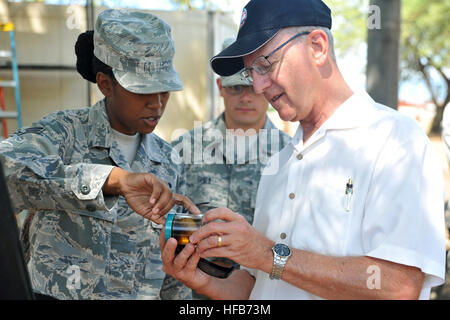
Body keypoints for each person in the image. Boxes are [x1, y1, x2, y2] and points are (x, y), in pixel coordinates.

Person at [160, 0, 446, 300]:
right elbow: (261, 286)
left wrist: (269, 255)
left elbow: (398, 286)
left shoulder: (394, 141)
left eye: (265, 65)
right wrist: (201, 280)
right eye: (250, 73)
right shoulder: (281, 161)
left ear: (318, 47)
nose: (257, 86)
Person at [0, 9, 199, 300]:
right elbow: (7, 172)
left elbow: (173, 270)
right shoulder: (63, 133)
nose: (156, 104)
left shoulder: (167, 161)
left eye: (164, 91)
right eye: (143, 91)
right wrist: (111, 181)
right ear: (106, 84)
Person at [171, 38, 291, 224]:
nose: (245, 98)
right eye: (236, 88)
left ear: (267, 87)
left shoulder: (289, 154)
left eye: (253, 88)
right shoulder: (185, 148)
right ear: (220, 87)